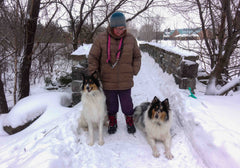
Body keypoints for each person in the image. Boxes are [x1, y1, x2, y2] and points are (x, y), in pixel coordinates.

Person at [88, 11, 141, 134]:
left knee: (127, 103)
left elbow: (137, 56)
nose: (120, 31)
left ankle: (129, 121)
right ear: (111, 27)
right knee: (111, 104)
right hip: (107, 80)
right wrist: (94, 74)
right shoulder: (101, 38)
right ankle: (113, 121)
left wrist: (134, 69)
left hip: (125, 80)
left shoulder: (130, 39)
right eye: (117, 28)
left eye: (122, 28)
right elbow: (92, 57)